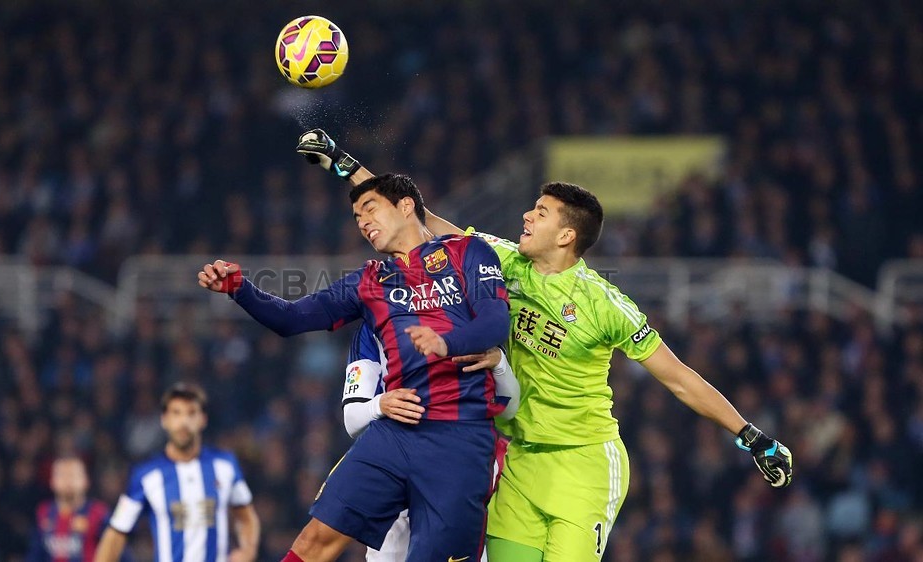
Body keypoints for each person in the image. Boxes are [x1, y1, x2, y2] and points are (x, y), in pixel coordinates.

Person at [296, 129, 795, 561]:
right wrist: (346, 166)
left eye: (541, 212)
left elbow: (678, 377)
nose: (527, 217)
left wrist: (750, 436)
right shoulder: (504, 261)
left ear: (567, 235)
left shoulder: (606, 305)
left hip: (582, 462)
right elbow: (417, 220)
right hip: (518, 461)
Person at [197, 172, 511, 562]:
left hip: (460, 437)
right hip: (396, 435)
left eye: (369, 208)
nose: (362, 222)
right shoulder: (369, 280)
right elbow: (293, 318)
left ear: (406, 206)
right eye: (356, 216)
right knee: (315, 540)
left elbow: (496, 320)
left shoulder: (468, 252)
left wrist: (446, 343)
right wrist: (241, 290)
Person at [342, 322, 518, 561]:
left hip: (457, 477)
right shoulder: (373, 327)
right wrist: (380, 404)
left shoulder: (477, 318)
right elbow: (352, 420)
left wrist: (500, 364)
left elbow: (509, 408)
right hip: (396, 480)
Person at [94, 383, 260, 562]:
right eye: (176, 413)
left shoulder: (225, 465)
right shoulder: (146, 475)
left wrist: (248, 550)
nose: (184, 422)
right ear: (164, 419)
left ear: (203, 419)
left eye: (191, 413)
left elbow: (246, 515)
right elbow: (116, 532)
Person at [27, 456, 117, 562]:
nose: (68, 480)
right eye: (62, 475)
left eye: (73, 475)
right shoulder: (43, 512)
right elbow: (35, 554)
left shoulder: (99, 513)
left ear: (85, 481)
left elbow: (117, 551)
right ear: (52, 481)